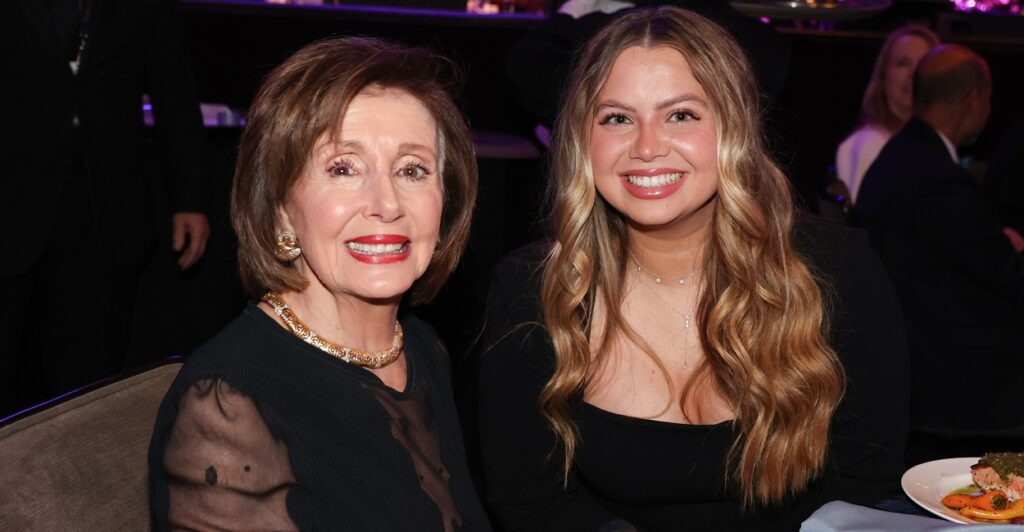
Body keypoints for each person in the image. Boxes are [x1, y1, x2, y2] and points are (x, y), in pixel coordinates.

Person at [478, 7, 909, 531]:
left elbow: (865, 481)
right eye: (617, 118)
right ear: (581, 140)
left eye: (681, 115)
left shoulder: (839, 270)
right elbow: (530, 502)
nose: (647, 147)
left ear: (734, 127)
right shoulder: (531, 290)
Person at [148, 37, 490, 530]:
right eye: (343, 168)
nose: (387, 204)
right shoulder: (226, 409)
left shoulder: (418, 346)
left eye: (412, 170)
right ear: (281, 209)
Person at [1, 0, 210, 417]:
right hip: (11, 197)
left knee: (85, 376)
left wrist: (190, 199)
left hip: (106, 205)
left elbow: (173, 89)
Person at [856, 44, 1024, 432]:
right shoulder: (937, 178)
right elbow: (1008, 277)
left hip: (910, 357)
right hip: (948, 378)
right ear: (974, 99)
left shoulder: (901, 157)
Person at [835, 25, 939, 204]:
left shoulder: (935, 145)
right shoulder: (869, 144)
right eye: (903, 63)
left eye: (922, 64)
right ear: (883, 74)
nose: (912, 74)